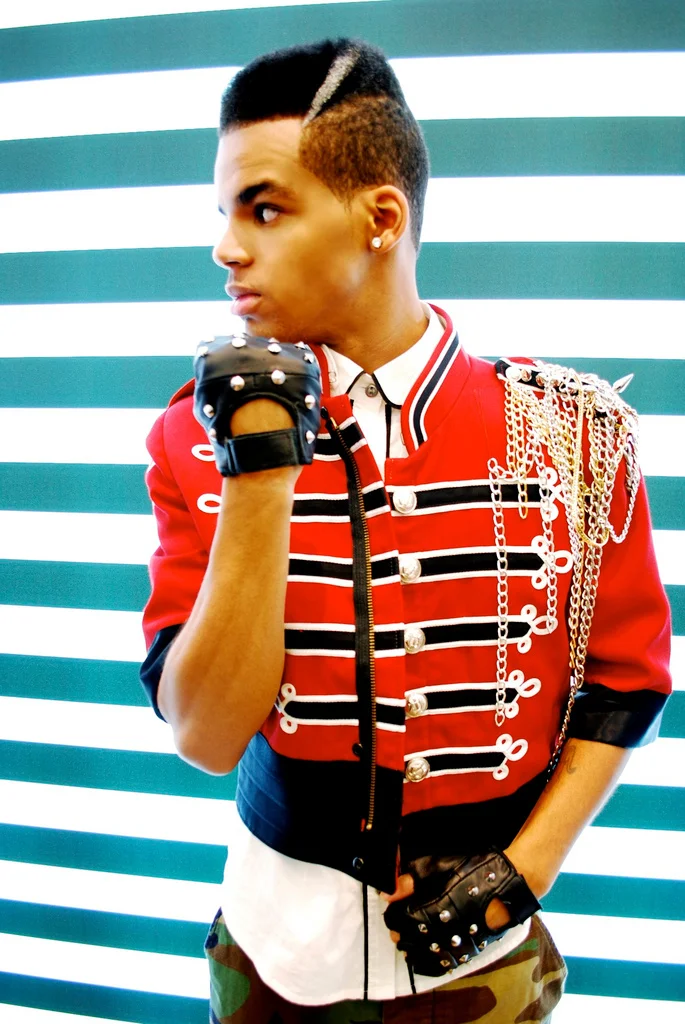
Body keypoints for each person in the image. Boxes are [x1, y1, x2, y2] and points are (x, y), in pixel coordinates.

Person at [139, 38, 672, 1024]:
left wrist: (519, 874)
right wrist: (260, 472)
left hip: (485, 965)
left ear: (379, 217)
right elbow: (207, 737)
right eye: (223, 215)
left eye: (263, 208)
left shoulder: (572, 433)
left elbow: (627, 677)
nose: (225, 247)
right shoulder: (189, 436)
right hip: (275, 958)